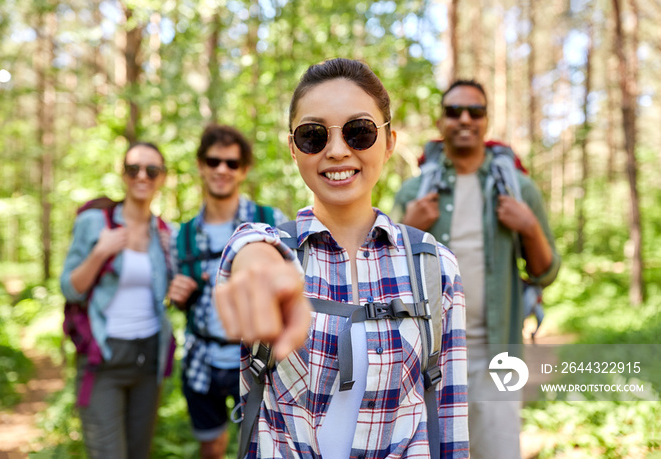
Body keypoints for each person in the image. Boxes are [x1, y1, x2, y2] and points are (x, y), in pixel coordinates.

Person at [214, 58, 469, 459]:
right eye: (314, 135)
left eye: (359, 132)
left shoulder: (433, 265)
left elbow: (450, 416)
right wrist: (251, 259)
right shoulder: (272, 252)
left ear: (389, 143)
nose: (336, 151)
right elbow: (247, 249)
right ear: (294, 149)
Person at [393, 79, 561, 459]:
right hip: (428, 360)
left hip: (498, 355)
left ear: (487, 120)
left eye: (475, 111)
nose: (464, 119)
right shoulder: (413, 194)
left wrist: (529, 226)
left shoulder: (519, 189)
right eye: (454, 111)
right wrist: (409, 225)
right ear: (441, 122)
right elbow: (386, 280)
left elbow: (546, 272)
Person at [166, 124, 287, 459]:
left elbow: (293, 287)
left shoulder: (269, 220)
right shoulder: (183, 235)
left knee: (263, 445)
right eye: (214, 161)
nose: (222, 169)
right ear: (201, 165)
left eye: (232, 163)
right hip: (201, 360)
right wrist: (177, 296)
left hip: (257, 359)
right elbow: (178, 295)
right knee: (212, 445)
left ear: (244, 170)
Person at [60, 142, 174, 459]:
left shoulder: (165, 233)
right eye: (133, 169)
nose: (142, 176)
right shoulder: (94, 224)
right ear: (122, 174)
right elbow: (70, 289)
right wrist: (100, 252)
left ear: (162, 177)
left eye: (151, 170)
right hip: (103, 358)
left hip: (148, 358)